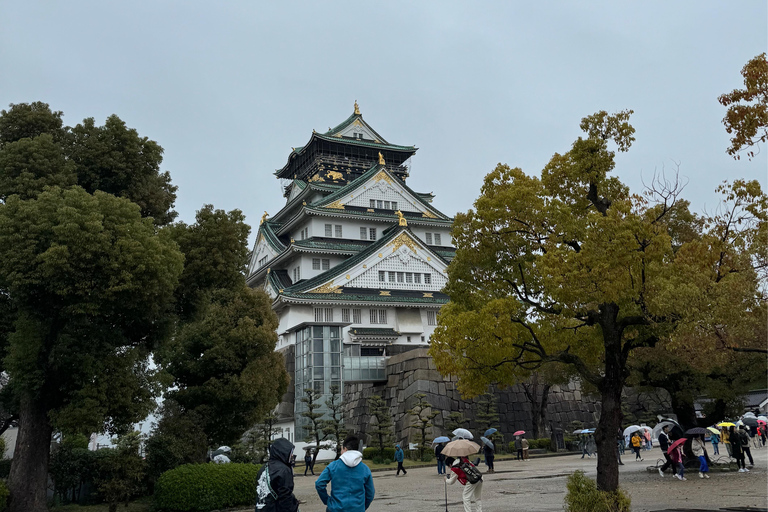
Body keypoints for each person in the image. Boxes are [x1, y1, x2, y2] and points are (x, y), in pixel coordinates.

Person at [315, 434, 375, 512]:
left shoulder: (333, 466)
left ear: (345, 449)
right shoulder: (365, 469)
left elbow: (319, 484)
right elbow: (370, 494)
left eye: (341, 449)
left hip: (336, 508)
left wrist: (327, 501)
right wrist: (362, 507)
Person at [255, 437, 300, 512]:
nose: (292, 455)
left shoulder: (263, 468)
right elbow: (285, 497)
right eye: (290, 452)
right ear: (284, 452)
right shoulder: (284, 470)